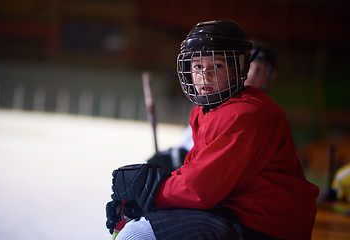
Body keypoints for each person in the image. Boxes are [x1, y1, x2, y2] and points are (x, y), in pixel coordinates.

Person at [106, 19, 319, 240]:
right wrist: (146, 196)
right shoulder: (206, 111)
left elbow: (201, 189)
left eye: (216, 66)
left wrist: (153, 191)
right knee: (143, 222)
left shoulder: (249, 114)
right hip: (235, 212)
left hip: (265, 227)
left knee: (138, 234)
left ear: (238, 69)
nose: (205, 76)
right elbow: (195, 171)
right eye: (198, 66)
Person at [147, 40, 278, 173]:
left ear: (271, 76)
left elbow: (209, 174)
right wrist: (174, 156)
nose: (253, 75)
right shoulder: (216, 103)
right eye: (251, 68)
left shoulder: (256, 112)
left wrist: (168, 178)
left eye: (260, 70)